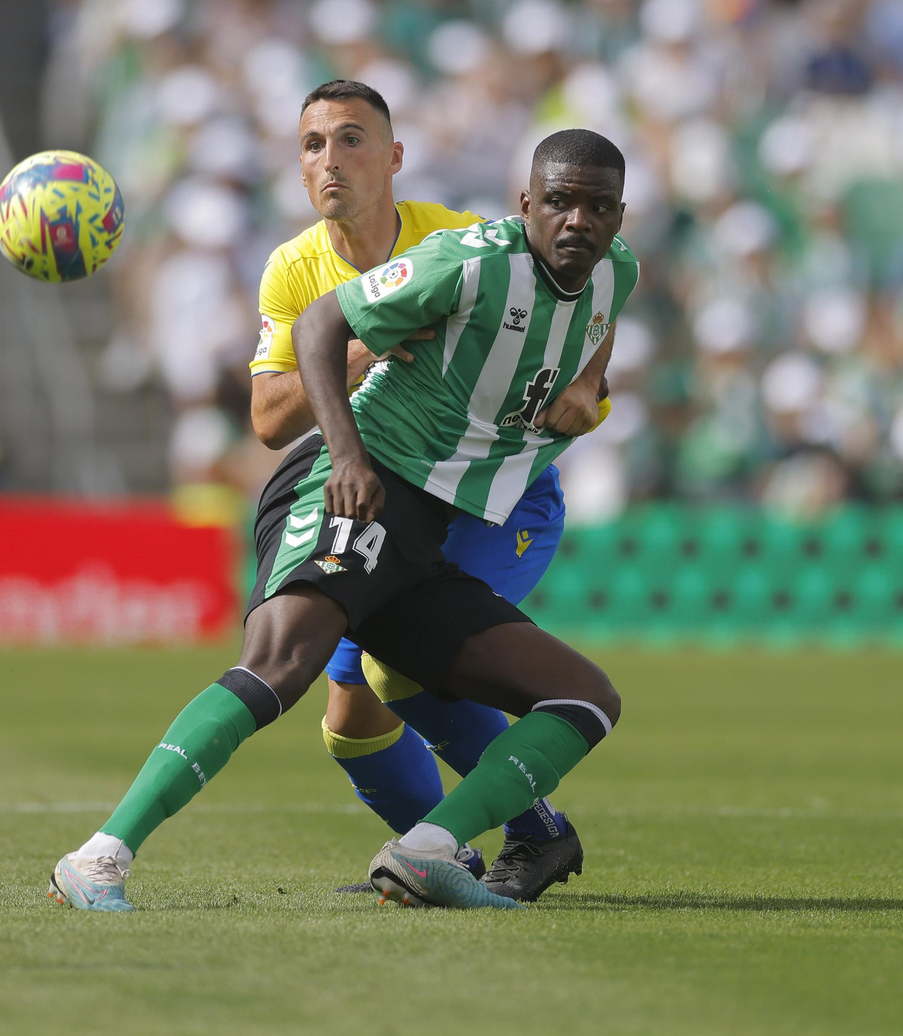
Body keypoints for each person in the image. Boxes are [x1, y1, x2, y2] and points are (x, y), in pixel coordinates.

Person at [50, 128, 636, 911]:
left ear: (619, 217)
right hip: (350, 478)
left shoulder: (615, 275)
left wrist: (589, 387)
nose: (577, 221)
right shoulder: (472, 261)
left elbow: (593, 337)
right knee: (282, 665)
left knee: (584, 695)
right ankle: (97, 858)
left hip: (426, 528)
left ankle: (429, 852)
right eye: (559, 202)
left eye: (597, 208)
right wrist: (349, 455)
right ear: (526, 203)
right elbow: (321, 325)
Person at [250, 80, 617, 900]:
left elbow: (595, 283)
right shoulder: (293, 271)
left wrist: (591, 382)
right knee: (349, 720)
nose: (332, 159)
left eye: (352, 140)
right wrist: (364, 344)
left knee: (396, 668)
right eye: (314, 144)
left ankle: (532, 831)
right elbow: (271, 419)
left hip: (499, 499)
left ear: (394, 158)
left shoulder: (460, 239)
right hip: (396, 494)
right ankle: (458, 853)